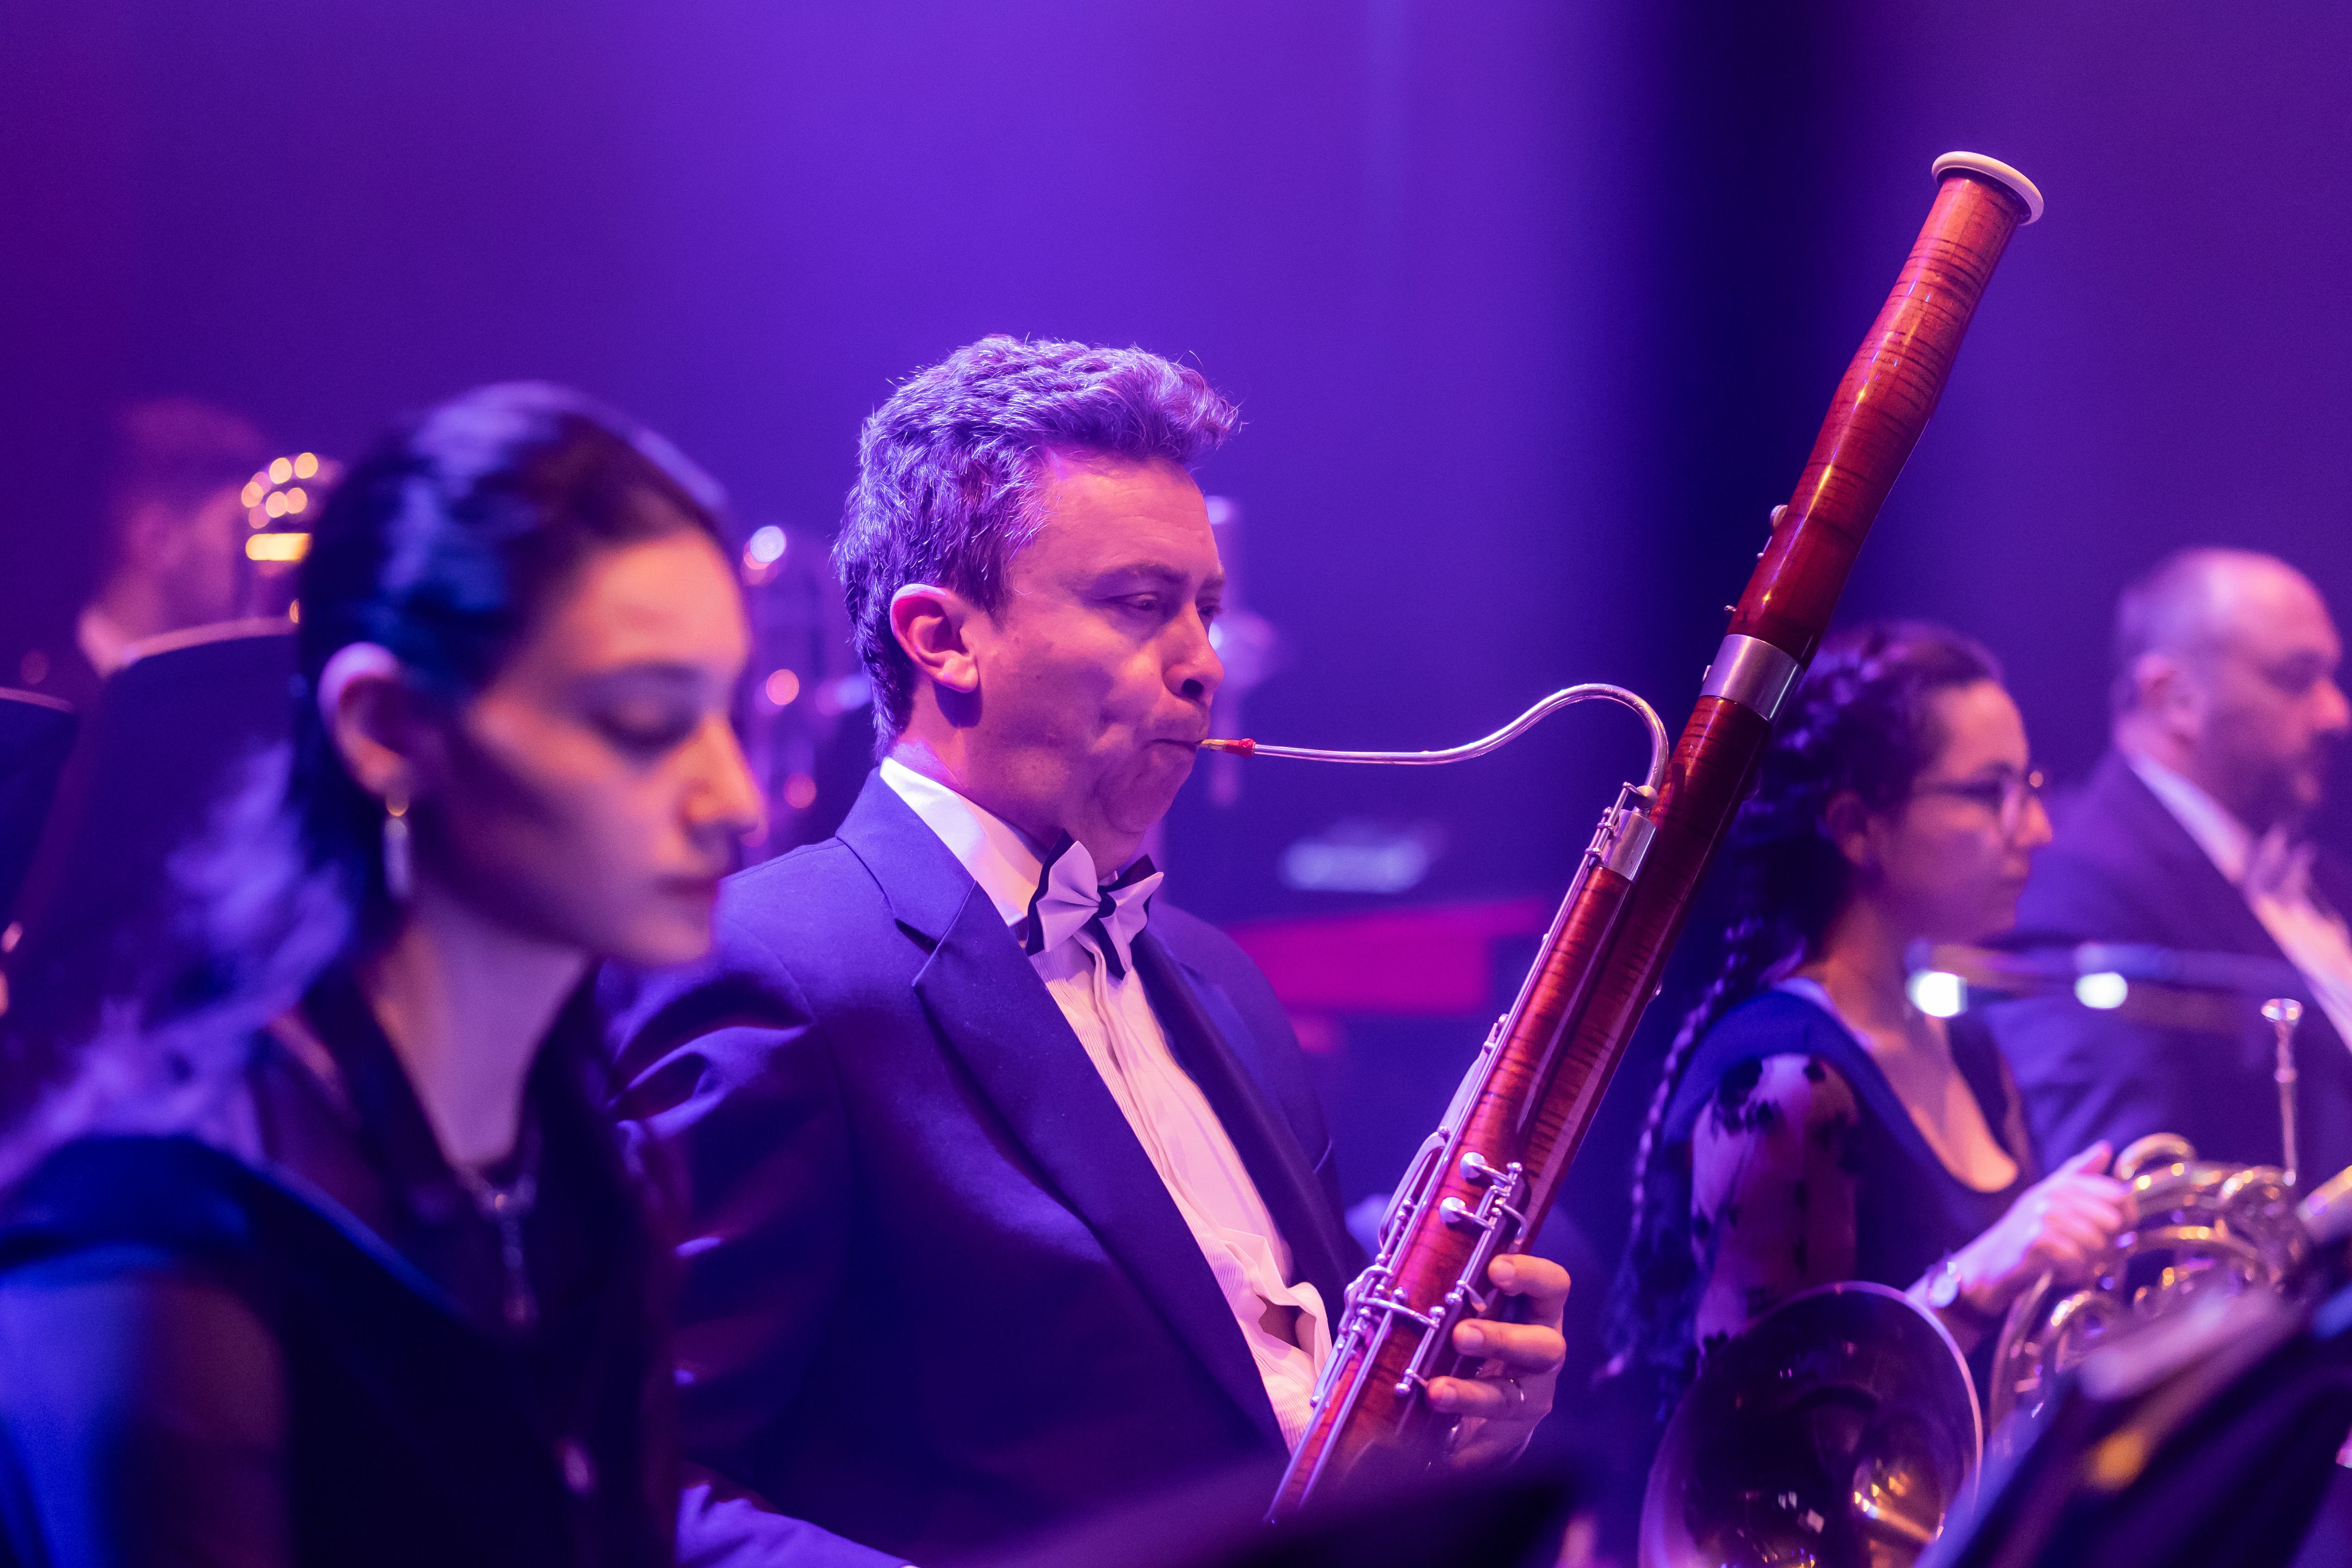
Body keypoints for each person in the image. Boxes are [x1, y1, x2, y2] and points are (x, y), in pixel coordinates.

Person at [611, 336, 1572, 1564]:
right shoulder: (776, 970)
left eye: (1208, 610)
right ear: (942, 638)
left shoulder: (1224, 984)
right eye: (1137, 605)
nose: (1203, 665)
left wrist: (1452, 1427)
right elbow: (632, 1491)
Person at [0, 384, 881, 1566]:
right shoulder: (160, 1229)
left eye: (718, 714)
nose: (730, 798)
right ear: (382, 727)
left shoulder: (566, 1159)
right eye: (639, 719)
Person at [1606, 622, 2135, 1411]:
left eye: (2028, 786)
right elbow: (1754, 1428)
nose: (2036, 829)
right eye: (1989, 792)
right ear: (1855, 825)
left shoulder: (1964, 1041)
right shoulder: (1783, 1078)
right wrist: (1978, 1278)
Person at [1994, 549, 2352, 1180]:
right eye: (2297, 679)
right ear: (2174, 697)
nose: (2336, 714)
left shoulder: (2322, 877)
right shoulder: (2076, 884)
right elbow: (2138, 1199)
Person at [9, 397, 270, 709]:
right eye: (240, 533)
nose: (262, 563)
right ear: (156, 541)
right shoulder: (44, 721)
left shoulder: (212, 706)